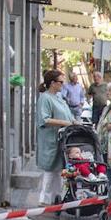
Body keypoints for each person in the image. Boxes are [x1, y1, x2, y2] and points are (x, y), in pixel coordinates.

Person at [36, 69, 74, 206]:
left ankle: (57, 198)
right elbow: (44, 119)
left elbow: (67, 114)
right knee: (49, 169)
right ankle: (44, 199)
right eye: (60, 82)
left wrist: (73, 121)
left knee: (58, 170)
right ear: (52, 83)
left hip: (60, 138)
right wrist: (65, 123)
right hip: (50, 139)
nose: (62, 85)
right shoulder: (45, 98)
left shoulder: (59, 98)